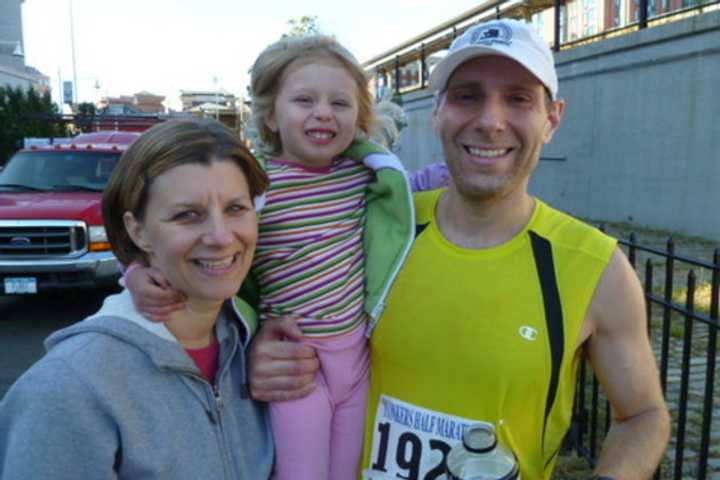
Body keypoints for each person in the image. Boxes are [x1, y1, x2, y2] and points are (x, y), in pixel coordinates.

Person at [248, 19, 671, 480]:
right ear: (437, 112)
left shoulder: (596, 266)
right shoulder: (381, 222)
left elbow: (644, 416)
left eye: (518, 98)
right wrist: (255, 350)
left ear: (552, 119)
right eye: (468, 95)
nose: (490, 121)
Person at [124, 35, 416, 480]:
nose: (323, 112)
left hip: (356, 358)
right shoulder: (253, 189)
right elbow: (194, 243)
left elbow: (422, 194)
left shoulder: (366, 175)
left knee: (349, 473)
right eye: (304, 100)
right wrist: (137, 275)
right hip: (295, 362)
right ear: (271, 116)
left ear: (359, 116)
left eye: (340, 102)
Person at [0, 119, 274, 479]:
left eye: (236, 208)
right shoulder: (67, 391)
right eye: (187, 215)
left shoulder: (254, 352)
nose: (221, 237)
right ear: (137, 230)